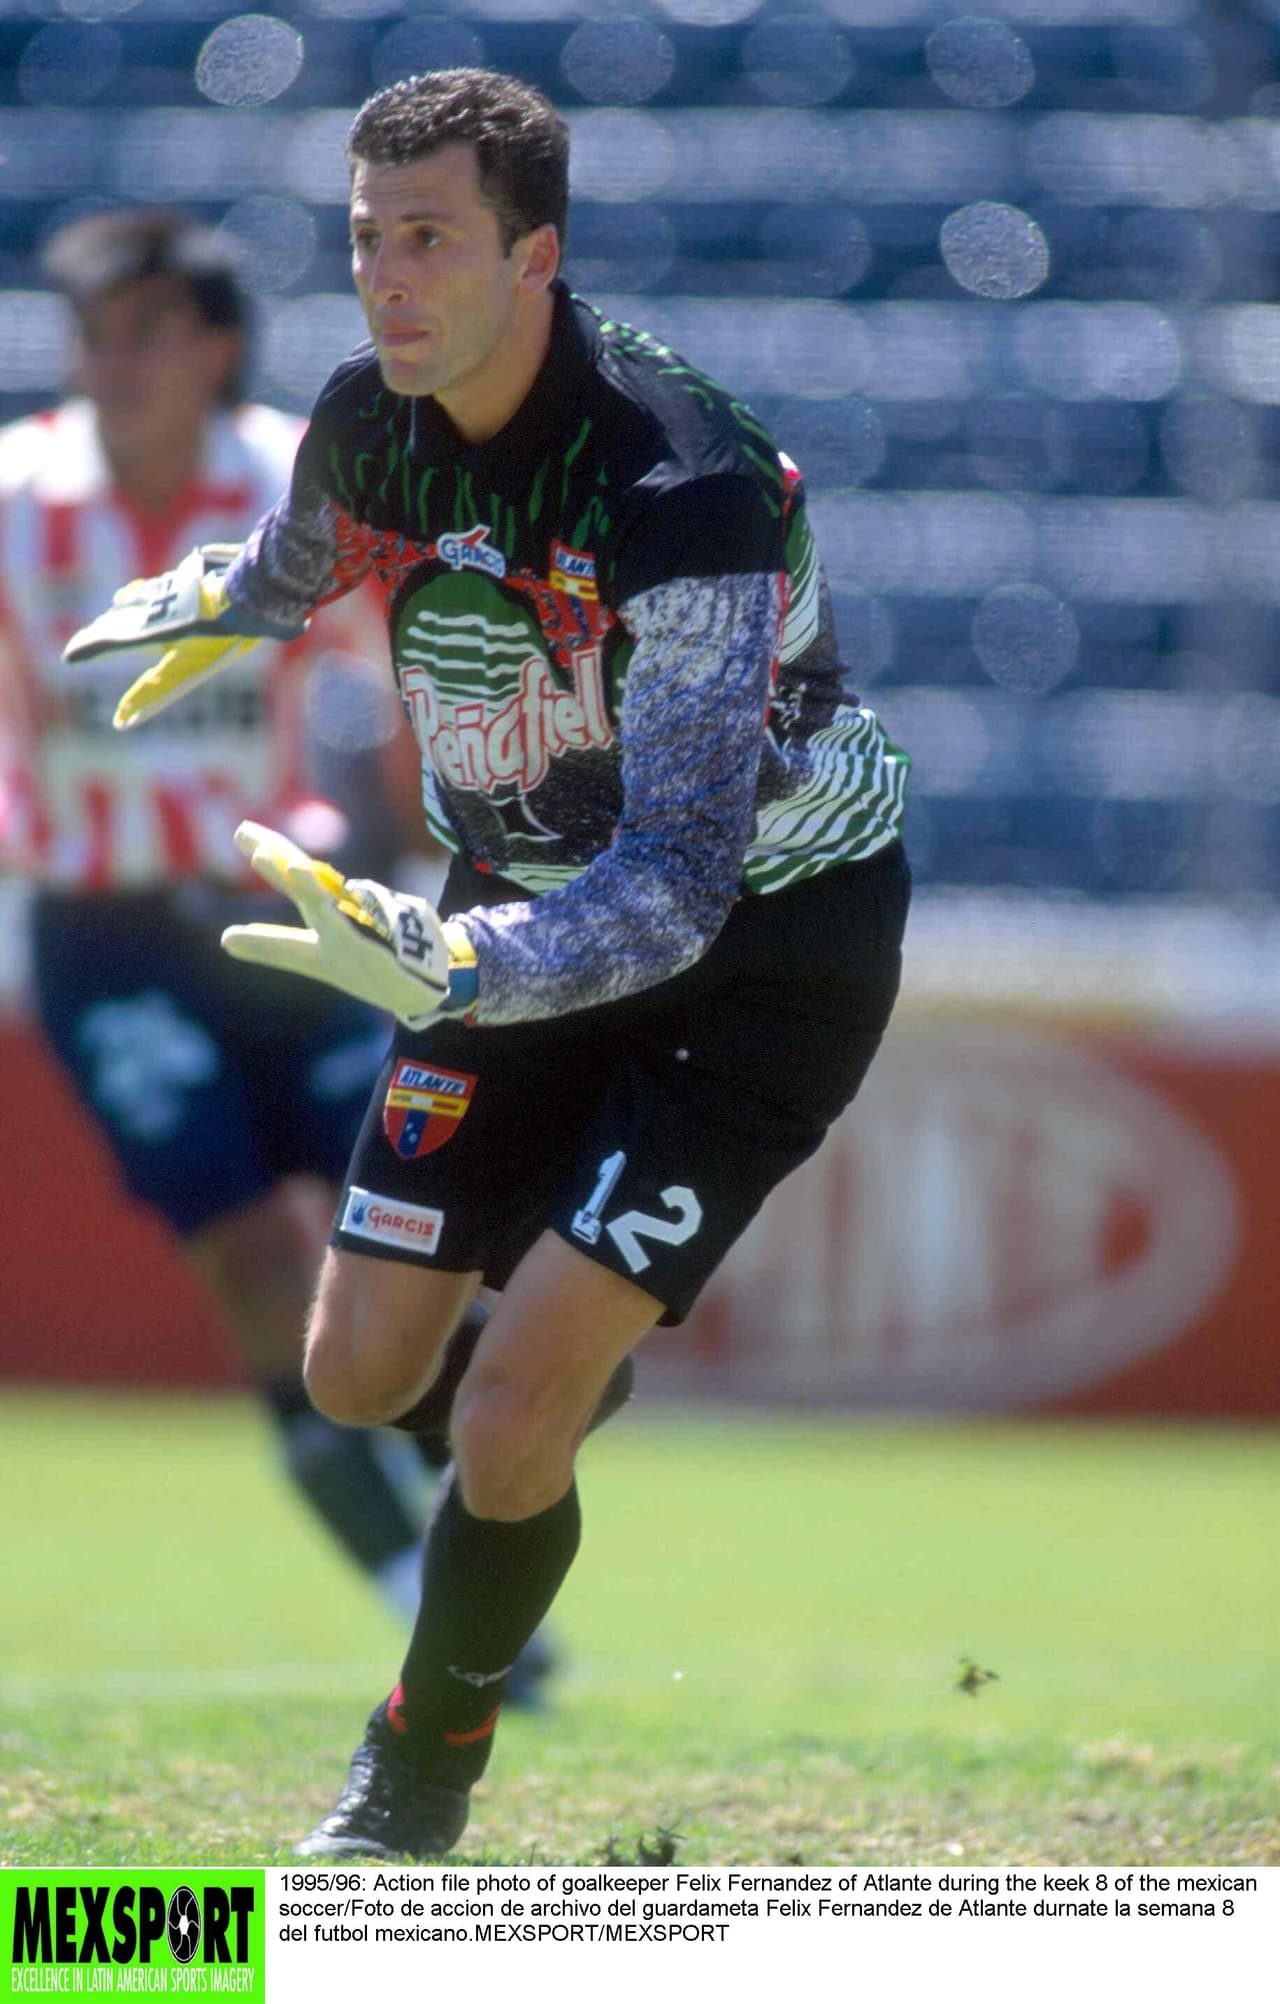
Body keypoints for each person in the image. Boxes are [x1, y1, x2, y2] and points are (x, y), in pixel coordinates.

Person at [65, 70, 912, 1861]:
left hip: (766, 954)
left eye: (430, 237)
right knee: (358, 1374)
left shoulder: (682, 487)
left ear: (538, 253)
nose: (386, 277)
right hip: (510, 905)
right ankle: (548, 1355)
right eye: (369, 237)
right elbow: (313, 557)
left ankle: (417, 1771)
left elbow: (676, 888)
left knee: (511, 1421)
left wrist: (449, 966)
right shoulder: (367, 413)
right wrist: (235, 594)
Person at [0, 206, 530, 1655]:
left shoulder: (299, 482)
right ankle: (407, 1581)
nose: (114, 366)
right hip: (102, 934)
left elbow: (421, 654)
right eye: (94, 338)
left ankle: (486, 1512)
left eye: (147, 335)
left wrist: (435, 821)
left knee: (403, 1234)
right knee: (244, 1253)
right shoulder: (18, 499)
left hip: (279, 915)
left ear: (215, 345)